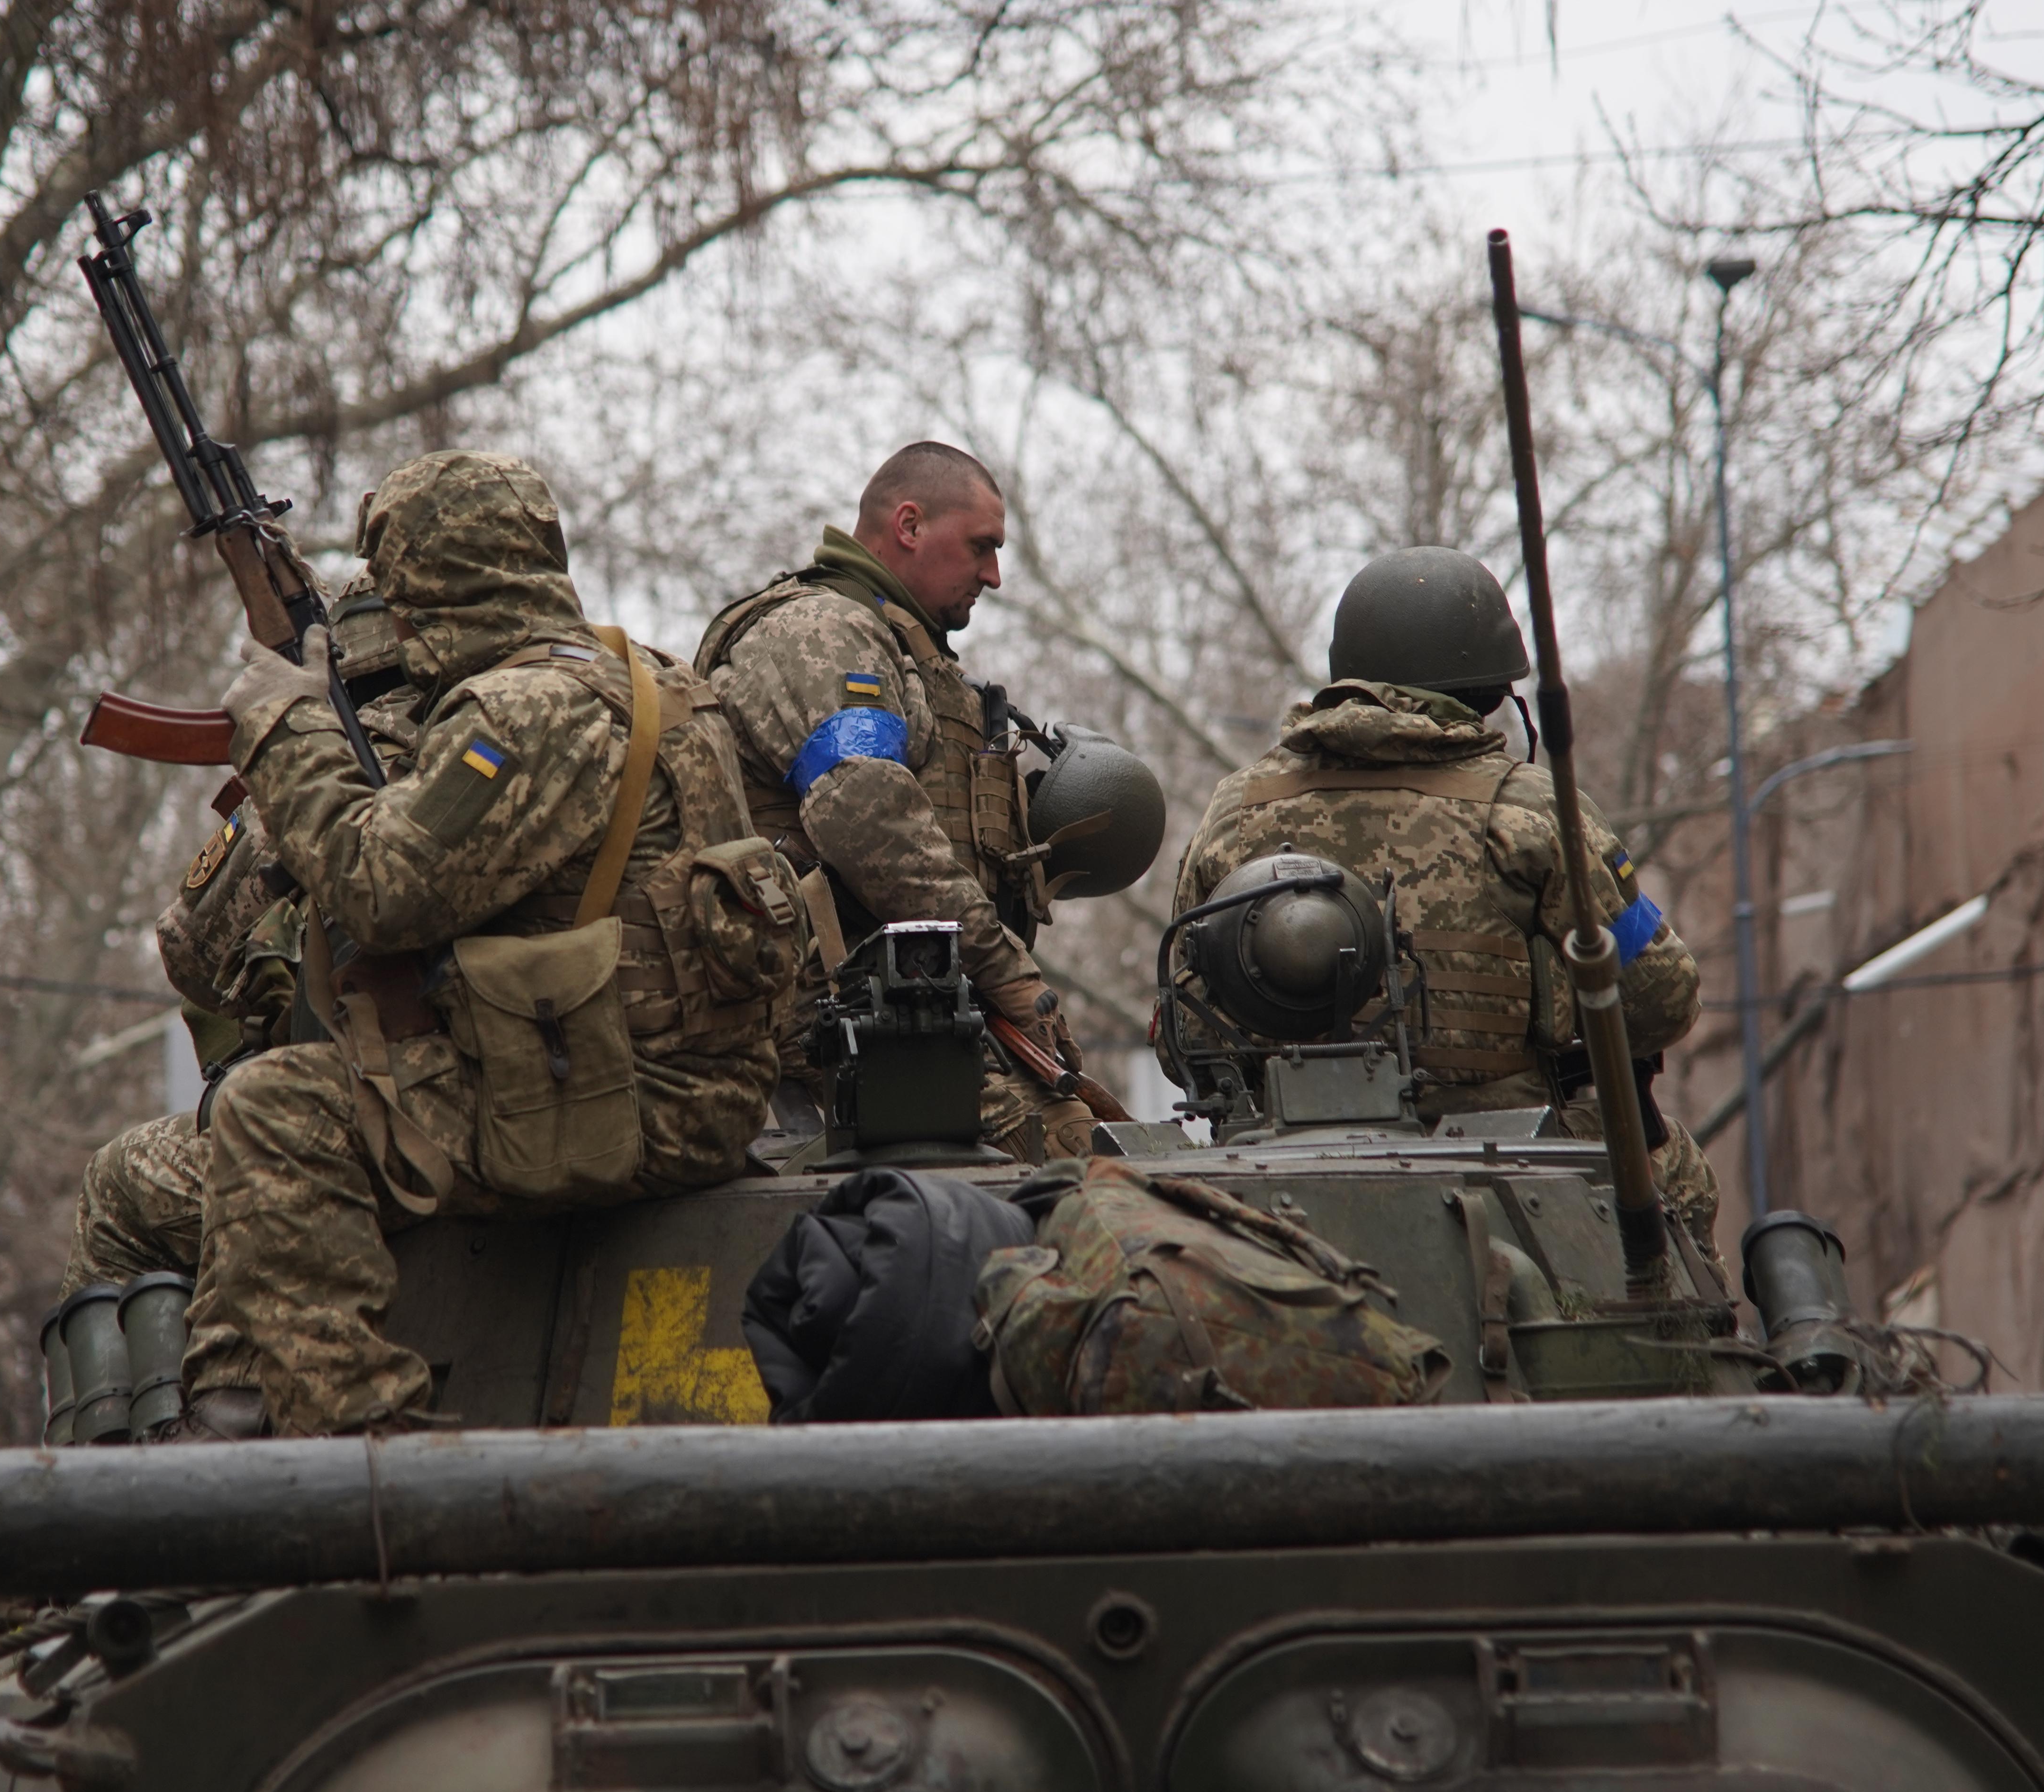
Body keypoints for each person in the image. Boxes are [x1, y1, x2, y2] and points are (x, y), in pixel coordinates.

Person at [176, 449, 799, 1438]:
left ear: (423, 584)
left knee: (277, 1109)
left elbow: (381, 894)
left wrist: (285, 726)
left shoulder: (522, 713)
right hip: (692, 1088)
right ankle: (233, 1400)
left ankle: (364, 1446)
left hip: (621, 1102)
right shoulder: (650, 679)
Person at [1165, 544, 1720, 1237]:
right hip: (1518, 1182)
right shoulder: (1531, 810)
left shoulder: (1236, 808)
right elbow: (1661, 1001)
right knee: (1681, 1179)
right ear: (1491, 695)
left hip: (1279, 1182)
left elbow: (1183, 1037)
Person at [55, 583, 421, 1404]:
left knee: (119, 1185)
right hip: (496, 1092)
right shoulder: (497, 740)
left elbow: (187, 952)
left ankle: (137, 1444)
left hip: (359, 1122)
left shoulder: (319, 775)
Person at [695, 442, 1091, 1163]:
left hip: (911, 1013)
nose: (994, 576)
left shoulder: (898, 647)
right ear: (909, 525)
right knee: (1069, 1162)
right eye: (981, 547)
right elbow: (868, 819)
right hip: (830, 1023)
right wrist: (1009, 975)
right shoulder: (820, 633)